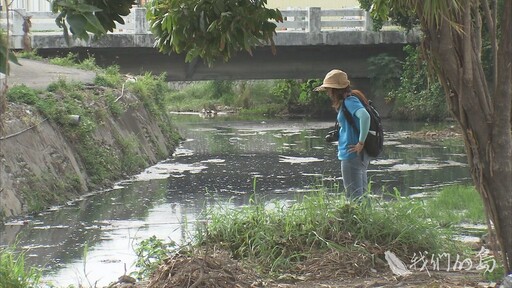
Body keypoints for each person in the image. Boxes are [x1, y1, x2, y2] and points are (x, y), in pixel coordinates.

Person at [314, 69, 371, 200]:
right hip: (358, 154)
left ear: (335, 89)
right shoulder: (352, 100)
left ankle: (356, 220)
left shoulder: (350, 102)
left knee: (353, 195)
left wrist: (361, 142)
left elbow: (365, 117)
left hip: (351, 153)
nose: (328, 93)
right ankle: (366, 218)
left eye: (328, 89)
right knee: (362, 193)